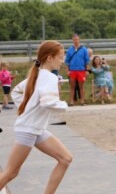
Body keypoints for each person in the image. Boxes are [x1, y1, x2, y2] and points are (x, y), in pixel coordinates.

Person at [0, 40, 72, 193]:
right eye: (60, 57)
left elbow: (16, 92)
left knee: (65, 159)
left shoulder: (36, 75)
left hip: (36, 129)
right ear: (49, 58)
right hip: (28, 129)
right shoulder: (50, 77)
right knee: (10, 173)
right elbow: (48, 102)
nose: (63, 60)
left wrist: (27, 107)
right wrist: (64, 105)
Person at [65, 34, 90, 106]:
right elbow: (67, 62)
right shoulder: (70, 50)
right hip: (72, 70)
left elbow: (87, 61)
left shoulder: (84, 49)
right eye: (74, 40)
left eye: (77, 39)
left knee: (81, 86)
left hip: (81, 70)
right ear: (72, 40)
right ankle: (72, 101)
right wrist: (67, 71)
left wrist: (87, 70)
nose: (75, 41)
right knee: (72, 86)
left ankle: (82, 100)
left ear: (79, 40)